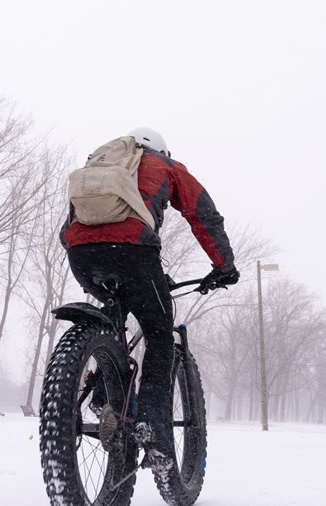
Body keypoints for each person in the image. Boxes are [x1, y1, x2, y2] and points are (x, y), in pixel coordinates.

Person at [60, 127, 238, 467]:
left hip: (81, 255)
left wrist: (92, 251)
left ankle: (104, 395)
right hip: (134, 254)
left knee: (116, 311)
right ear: (161, 150)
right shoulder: (166, 166)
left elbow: (66, 229)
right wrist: (223, 265)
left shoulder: (99, 167)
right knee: (158, 333)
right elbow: (203, 215)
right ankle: (151, 425)